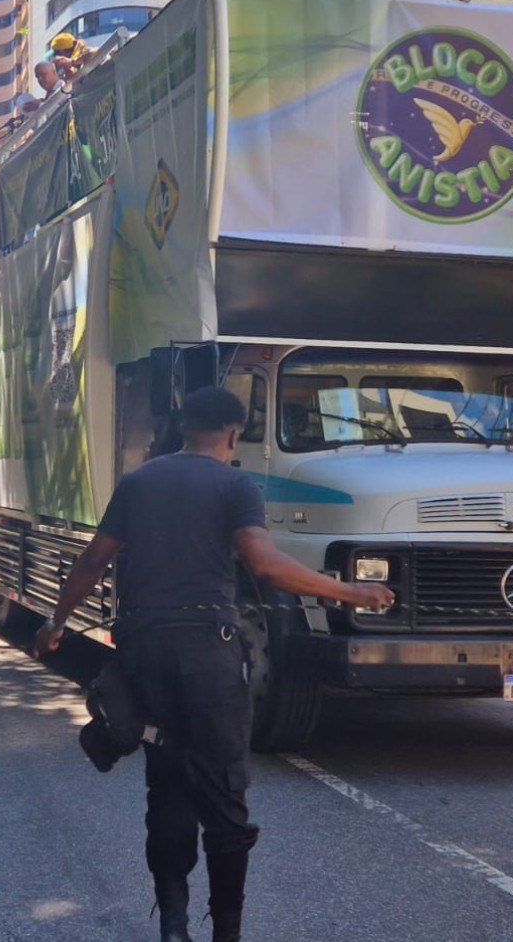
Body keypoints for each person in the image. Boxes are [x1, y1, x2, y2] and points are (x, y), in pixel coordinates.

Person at [33, 387, 395, 942]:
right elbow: (266, 565)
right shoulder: (234, 484)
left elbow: (93, 560)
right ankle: (226, 931)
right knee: (224, 792)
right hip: (207, 653)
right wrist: (349, 592)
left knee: (168, 782)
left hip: (144, 653)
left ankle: (173, 925)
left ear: (183, 427)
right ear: (232, 433)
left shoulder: (139, 481)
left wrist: (57, 622)